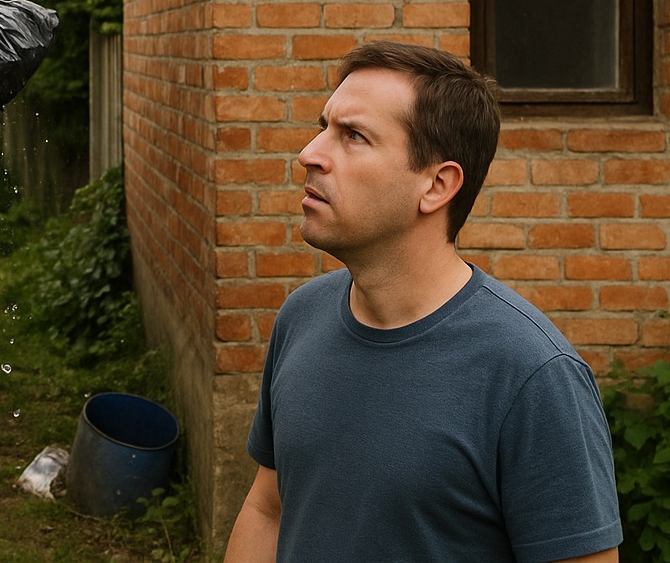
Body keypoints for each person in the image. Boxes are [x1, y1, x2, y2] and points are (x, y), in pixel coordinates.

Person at [224, 41, 621, 563]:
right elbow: (268, 509)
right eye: (324, 126)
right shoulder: (302, 317)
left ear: (437, 185)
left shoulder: (532, 375)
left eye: (354, 136)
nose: (310, 153)